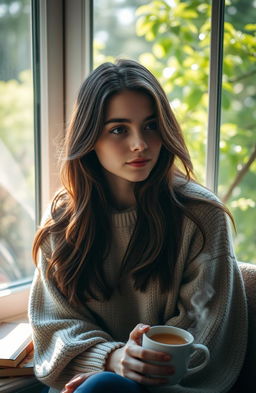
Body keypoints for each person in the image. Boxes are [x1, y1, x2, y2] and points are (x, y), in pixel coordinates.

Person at [29, 59, 248, 393]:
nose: (140, 144)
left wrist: (129, 371)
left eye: (150, 126)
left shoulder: (201, 217)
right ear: (90, 138)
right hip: (85, 381)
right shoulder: (63, 221)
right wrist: (112, 359)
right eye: (119, 129)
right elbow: (53, 325)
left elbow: (205, 332)